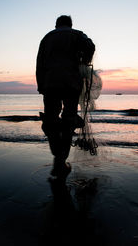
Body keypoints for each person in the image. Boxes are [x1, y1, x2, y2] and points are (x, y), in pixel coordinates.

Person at [36, 15, 95, 180]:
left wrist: (41, 85)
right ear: (70, 24)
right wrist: (84, 59)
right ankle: (61, 160)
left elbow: (39, 62)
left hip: (50, 83)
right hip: (71, 83)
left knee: (51, 120)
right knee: (69, 119)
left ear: (56, 25)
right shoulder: (76, 34)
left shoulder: (47, 37)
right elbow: (90, 46)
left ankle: (58, 158)